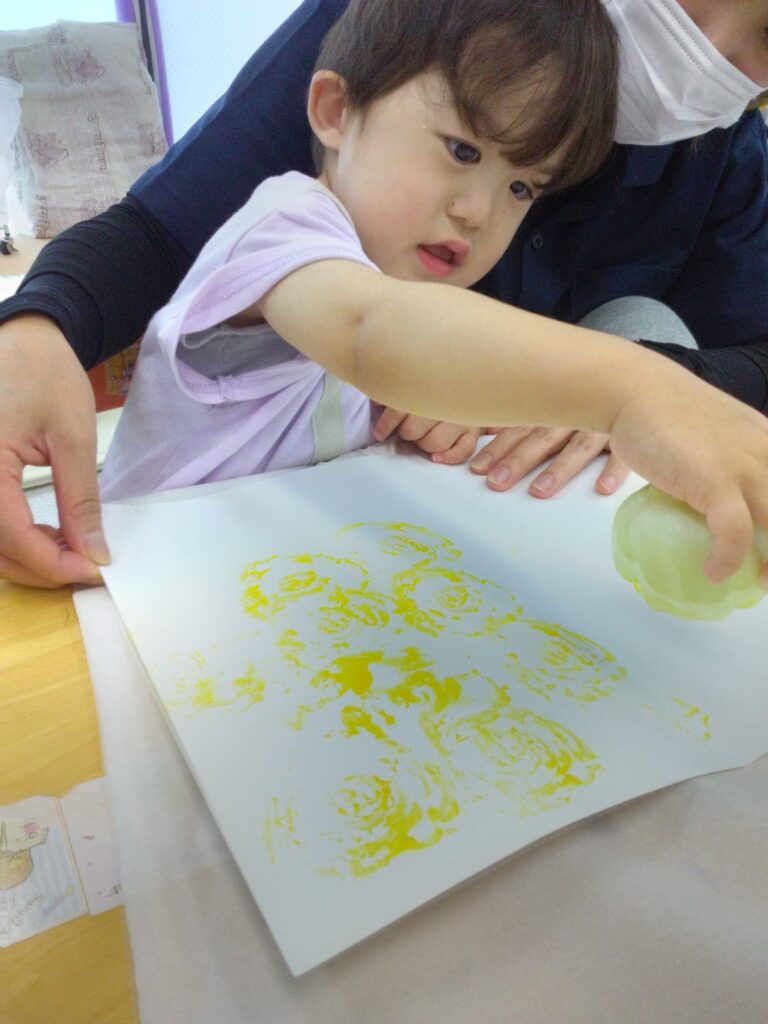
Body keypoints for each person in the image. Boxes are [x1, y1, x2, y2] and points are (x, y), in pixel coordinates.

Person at [1, 0, 768, 588]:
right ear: (335, 111)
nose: (479, 211)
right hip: (138, 588)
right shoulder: (284, 225)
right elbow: (373, 334)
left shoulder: (404, 266)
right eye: (460, 150)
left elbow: (394, 371)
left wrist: (449, 409)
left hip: (278, 577)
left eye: (522, 187)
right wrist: (636, 392)